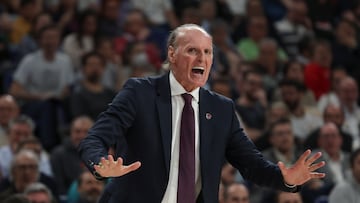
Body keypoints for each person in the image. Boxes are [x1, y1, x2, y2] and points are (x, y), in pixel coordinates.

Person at [78, 24, 325, 203]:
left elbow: (251, 164)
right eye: (192, 50)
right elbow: (95, 139)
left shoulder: (221, 108)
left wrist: (287, 179)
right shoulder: (139, 92)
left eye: (207, 52)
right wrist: (101, 165)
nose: (202, 58)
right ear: (172, 54)